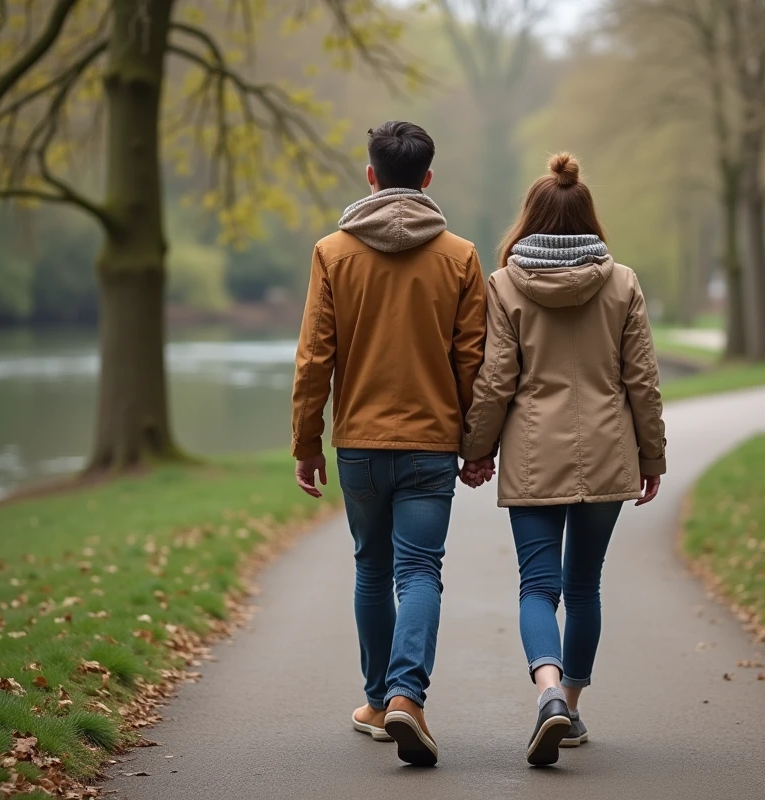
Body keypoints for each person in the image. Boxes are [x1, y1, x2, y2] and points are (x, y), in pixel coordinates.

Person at [291, 121, 487, 767]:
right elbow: (473, 361)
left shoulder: (332, 252)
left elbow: (315, 358)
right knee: (420, 570)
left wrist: (305, 441)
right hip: (432, 445)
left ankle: (378, 702)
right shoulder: (459, 256)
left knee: (371, 568)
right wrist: (477, 443)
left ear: (370, 176)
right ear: (428, 179)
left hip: (360, 446)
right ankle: (406, 696)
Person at [460, 153, 667, 766]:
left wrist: (476, 451)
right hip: (608, 453)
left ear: (529, 219)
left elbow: (496, 380)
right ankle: (571, 709)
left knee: (537, 585)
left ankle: (546, 693)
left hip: (531, 456)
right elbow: (643, 383)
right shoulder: (622, 282)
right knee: (584, 587)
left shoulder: (504, 285)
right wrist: (650, 457)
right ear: (589, 217)